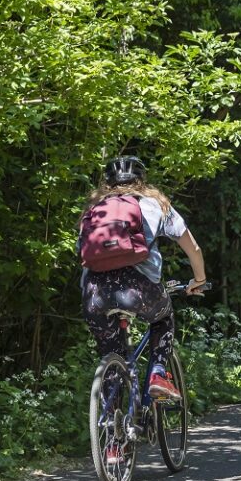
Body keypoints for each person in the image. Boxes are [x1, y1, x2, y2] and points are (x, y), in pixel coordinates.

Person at [77, 156, 207, 400]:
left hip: (94, 294)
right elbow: (193, 248)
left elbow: (83, 255)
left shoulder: (94, 211)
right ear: (141, 181)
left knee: (110, 353)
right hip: (140, 290)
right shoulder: (154, 205)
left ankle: (112, 429)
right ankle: (158, 374)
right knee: (163, 318)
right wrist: (198, 280)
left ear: (107, 184)